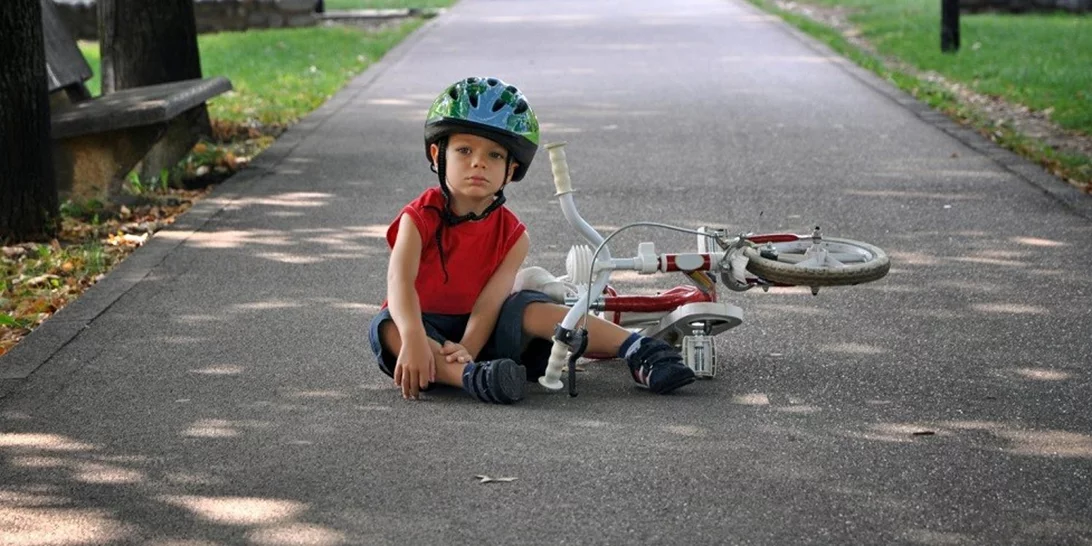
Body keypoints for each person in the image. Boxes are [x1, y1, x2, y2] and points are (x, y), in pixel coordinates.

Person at [368, 77, 696, 404]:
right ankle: (471, 378)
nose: (478, 162)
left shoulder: (514, 237)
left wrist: (468, 348)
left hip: (486, 335)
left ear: (511, 170)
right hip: (420, 327)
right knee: (386, 327)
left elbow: (489, 303)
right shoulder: (419, 217)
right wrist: (413, 336)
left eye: (494, 155)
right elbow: (400, 282)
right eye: (464, 150)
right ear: (438, 154)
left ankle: (638, 349)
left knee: (527, 306)